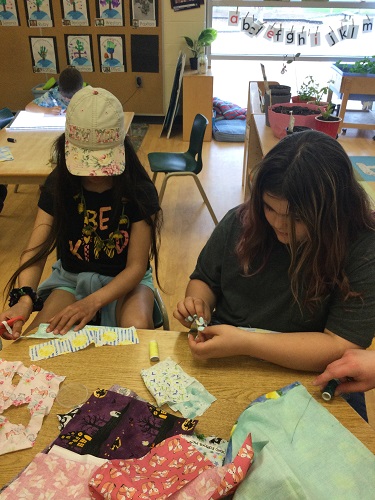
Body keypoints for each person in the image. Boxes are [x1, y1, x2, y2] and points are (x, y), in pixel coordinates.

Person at [174, 130, 375, 373]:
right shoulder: (243, 220)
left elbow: (341, 345)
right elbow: (204, 279)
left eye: (297, 218)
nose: (279, 224)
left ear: (333, 212)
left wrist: (246, 343)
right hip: (225, 351)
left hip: (304, 368)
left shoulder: (362, 248)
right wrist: (198, 304)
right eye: (269, 208)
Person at [0, 86, 162, 340]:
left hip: (125, 281)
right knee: (41, 337)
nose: (93, 174)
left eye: (102, 164)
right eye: (85, 165)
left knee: (137, 330)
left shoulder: (138, 189)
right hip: (71, 279)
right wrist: (24, 298)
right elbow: (35, 250)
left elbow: (136, 267)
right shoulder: (58, 184)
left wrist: (92, 302)